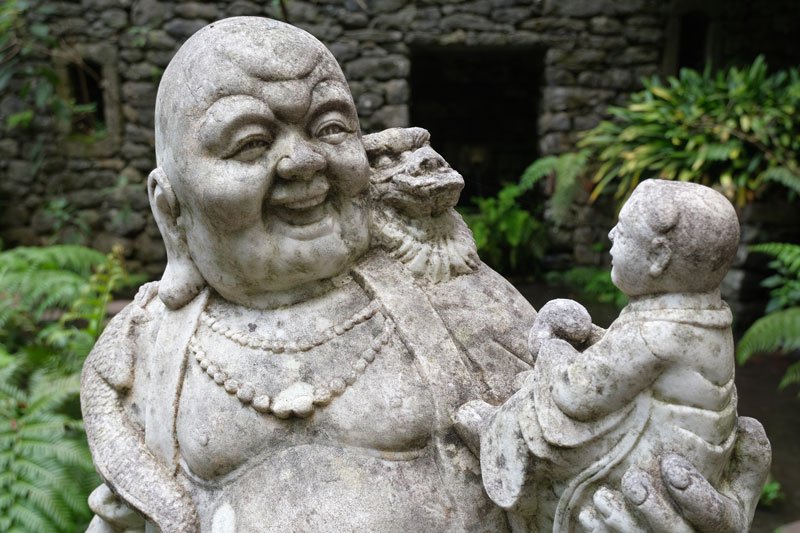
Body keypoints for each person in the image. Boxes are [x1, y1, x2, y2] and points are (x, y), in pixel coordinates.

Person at [81, 17, 769, 532]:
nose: (302, 164)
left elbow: (580, 475)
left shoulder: (460, 302)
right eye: (252, 142)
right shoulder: (146, 359)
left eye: (328, 126)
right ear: (171, 208)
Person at [471, 180, 762, 531]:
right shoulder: (709, 319)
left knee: (528, 414)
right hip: (694, 471)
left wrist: (551, 344)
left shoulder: (653, 333)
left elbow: (577, 393)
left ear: (658, 257)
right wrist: (594, 338)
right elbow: (626, 366)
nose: (610, 235)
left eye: (622, 232)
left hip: (634, 486)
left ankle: (505, 466)